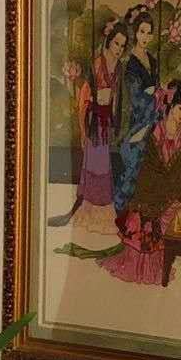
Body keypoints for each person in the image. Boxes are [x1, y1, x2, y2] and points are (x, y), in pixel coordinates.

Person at [84, 81, 181, 285]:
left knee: (170, 213)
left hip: (168, 189)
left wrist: (174, 194)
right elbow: (146, 165)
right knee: (144, 219)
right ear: (171, 106)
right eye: (180, 109)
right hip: (148, 186)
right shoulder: (155, 130)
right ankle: (135, 266)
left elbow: (178, 171)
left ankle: (154, 266)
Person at [51, 19, 125, 228]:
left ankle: (101, 211)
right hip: (93, 120)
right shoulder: (98, 63)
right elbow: (85, 94)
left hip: (106, 122)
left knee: (103, 165)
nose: (119, 49)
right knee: (95, 164)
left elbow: (117, 97)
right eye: (116, 43)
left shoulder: (119, 67)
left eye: (122, 45)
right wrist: (84, 128)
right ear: (109, 41)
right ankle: (89, 211)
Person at [113, 6, 159, 218]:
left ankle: (140, 217)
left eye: (149, 33)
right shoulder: (129, 62)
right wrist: (153, 95)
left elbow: (156, 90)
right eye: (142, 32)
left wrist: (156, 94)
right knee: (131, 167)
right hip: (136, 120)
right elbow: (134, 96)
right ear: (135, 32)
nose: (145, 37)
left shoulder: (153, 60)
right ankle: (120, 211)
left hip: (152, 120)